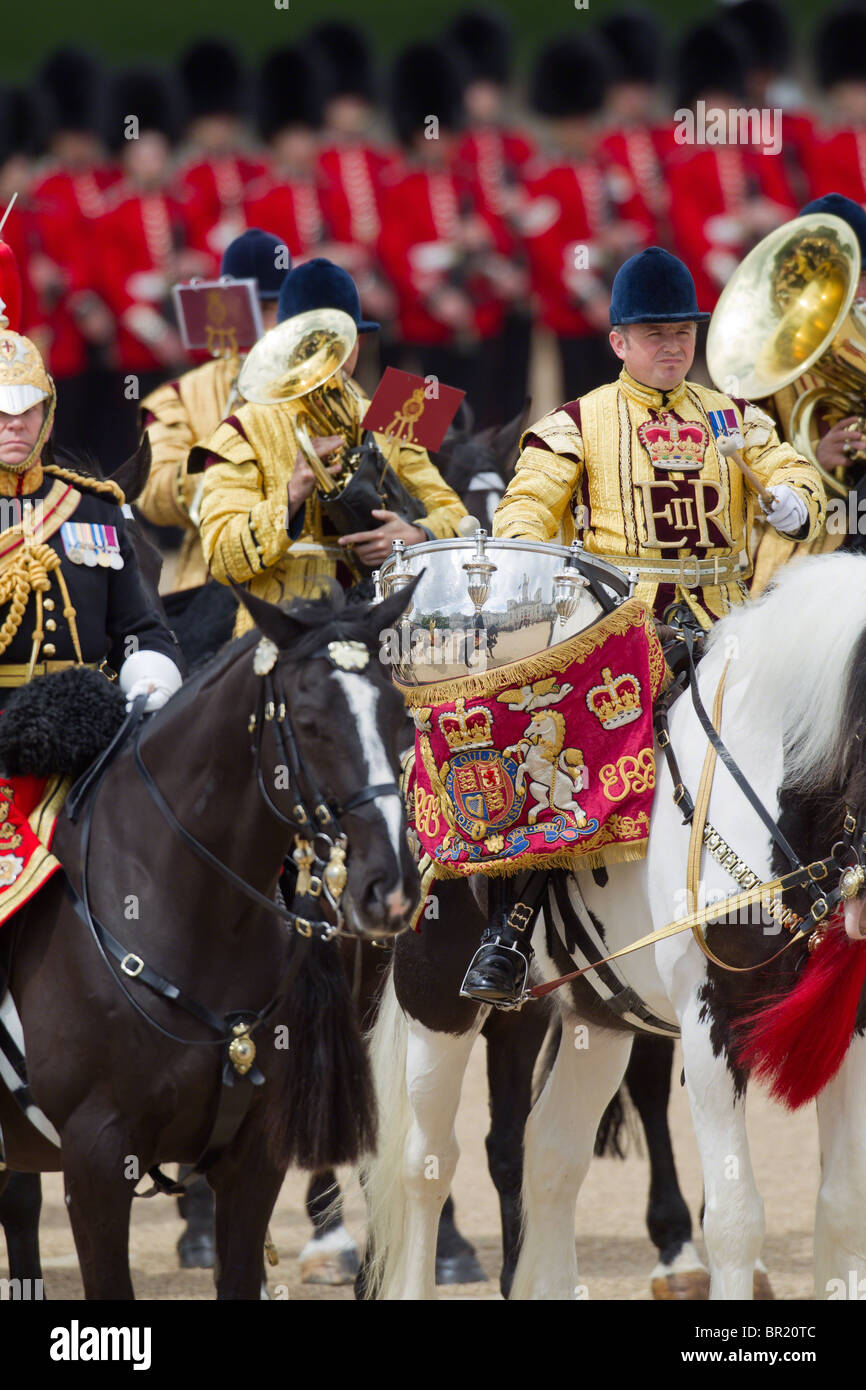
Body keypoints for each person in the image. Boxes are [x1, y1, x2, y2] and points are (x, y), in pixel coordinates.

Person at [458, 246, 826, 1004]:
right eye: (654, 334)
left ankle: (828, 895)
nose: (673, 347)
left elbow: (793, 472)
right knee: (555, 747)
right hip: (622, 634)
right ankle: (513, 926)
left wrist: (798, 499)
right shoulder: (576, 422)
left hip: (735, 629)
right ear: (619, 342)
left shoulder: (734, 415)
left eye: (684, 334)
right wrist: (545, 560)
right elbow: (524, 510)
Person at [196, 259, 468, 633]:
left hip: (386, 625)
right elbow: (221, 559)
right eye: (312, 343)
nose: (329, 357)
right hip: (288, 636)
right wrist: (289, 499)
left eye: (340, 340)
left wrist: (417, 535)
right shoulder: (240, 428)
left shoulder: (394, 409)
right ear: (285, 343)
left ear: (359, 341)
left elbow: (460, 516)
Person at [137, 228, 291, 593]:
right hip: (213, 581)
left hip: (311, 573)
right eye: (258, 309)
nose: (271, 325)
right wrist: (234, 475)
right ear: (227, 308)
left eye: (277, 310)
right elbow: (151, 493)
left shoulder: (326, 380)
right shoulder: (176, 396)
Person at [751, 193, 866, 592]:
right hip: (820, 523)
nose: (857, 293)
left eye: (859, 279)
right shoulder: (768, 364)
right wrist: (815, 457)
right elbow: (743, 472)